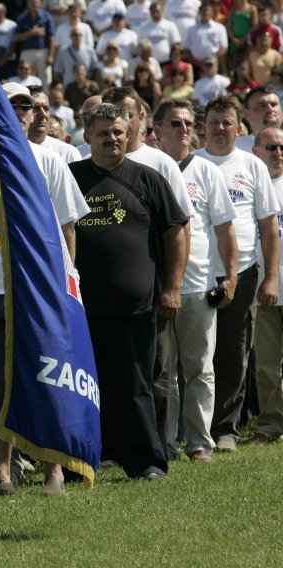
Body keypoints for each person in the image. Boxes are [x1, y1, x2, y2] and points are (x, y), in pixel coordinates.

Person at [0, 82, 89, 496]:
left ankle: (54, 473)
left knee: (47, 381)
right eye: (12, 104)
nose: (22, 111)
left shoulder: (50, 161)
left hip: (40, 294)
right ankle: (0, 473)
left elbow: (66, 228)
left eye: (26, 105)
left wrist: (67, 284)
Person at [70, 103, 188, 479]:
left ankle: (147, 463)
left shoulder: (148, 179)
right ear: (87, 136)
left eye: (118, 131)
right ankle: (86, 459)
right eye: (103, 132)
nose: (112, 138)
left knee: (137, 388)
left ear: (130, 133)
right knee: (84, 388)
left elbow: (175, 233)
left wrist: (172, 287)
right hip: (81, 307)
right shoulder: (70, 178)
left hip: (136, 306)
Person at [193, 95, 280, 453]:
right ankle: (193, 427)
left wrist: (270, 277)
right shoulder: (191, 164)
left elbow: (269, 227)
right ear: (204, 126)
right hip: (197, 275)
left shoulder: (252, 165)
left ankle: (225, 428)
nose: (220, 127)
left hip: (242, 273)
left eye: (227, 121)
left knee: (234, 353)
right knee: (198, 355)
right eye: (214, 121)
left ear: (238, 127)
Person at [153, 97, 239, 462]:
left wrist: (230, 277)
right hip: (156, 286)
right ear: (156, 130)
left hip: (199, 284)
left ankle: (199, 442)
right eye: (176, 123)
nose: (185, 129)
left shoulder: (206, 171)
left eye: (190, 123)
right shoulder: (149, 168)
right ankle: (166, 442)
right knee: (163, 373)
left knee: (200, 368)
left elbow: (225, 230)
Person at [250, 126, 283, 444]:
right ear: (256, 151)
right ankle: (271, 426)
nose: (278, 152)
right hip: (262, 286)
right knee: (267, 365)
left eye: (281, 147)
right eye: (271, 147)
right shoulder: (252, 186)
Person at [27, 86, 82, 164]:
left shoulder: (69, 153)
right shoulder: (10, 150)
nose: (43, 114)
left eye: (46, 109)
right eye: (36, 108)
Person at [13, 0, 56, 86]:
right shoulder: (22, 18)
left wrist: (51, 55)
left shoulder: (47, 17)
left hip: (43, 51)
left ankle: (45, 98)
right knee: (25, 79)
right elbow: (16, 37)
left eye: (36, 2)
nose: (34, 4)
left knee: (45, 80)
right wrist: (31, 33)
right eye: (32, 2)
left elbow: (52, 37)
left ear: (40, 3)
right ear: (28, 3)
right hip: (26, 52)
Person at [184, 3, 228, 74]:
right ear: (199, 13)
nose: (205, 13)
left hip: (214, 64)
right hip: (196, 65)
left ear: (212, 12)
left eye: (207, 10)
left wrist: (212, 59)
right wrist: (196, 62)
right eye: (203, 11)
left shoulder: (220, 28)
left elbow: (224, 48)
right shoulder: (191, 29)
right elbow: (186, 48)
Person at [236, 86, 283, 152]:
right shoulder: (235, 148)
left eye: (273, 104)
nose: (270, 109)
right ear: (246, 114)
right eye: (261, 106)